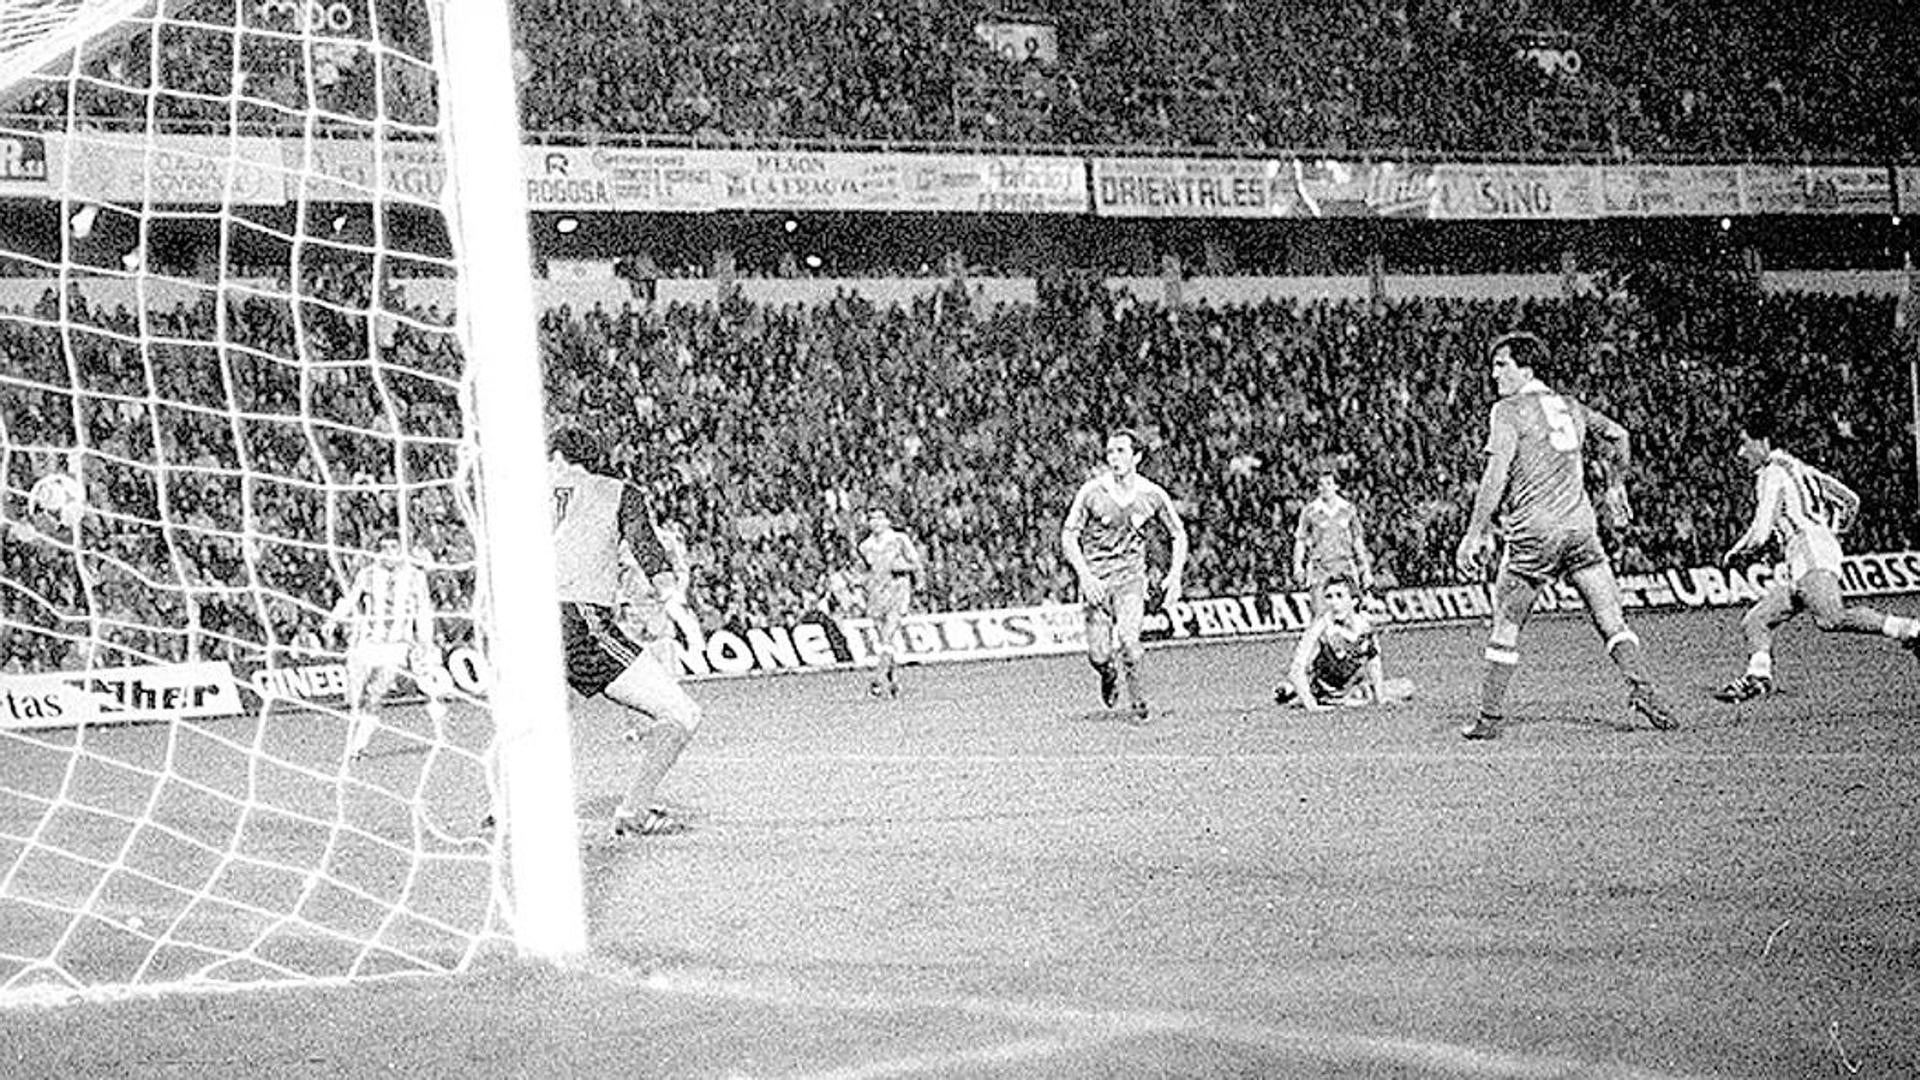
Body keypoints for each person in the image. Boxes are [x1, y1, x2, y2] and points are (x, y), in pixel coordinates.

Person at [1452, 331, 1680, 740]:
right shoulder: (1571, 406)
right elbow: (1620, 435)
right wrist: (1615, 486)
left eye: (1502, 364)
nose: (1494, 373)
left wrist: (1475, 532)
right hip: (1580, 528)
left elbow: (1496, 472)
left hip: (1534, 531)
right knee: (1611, 619)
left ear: (1527, 368)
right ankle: (1641, 688)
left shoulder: (1508, 410)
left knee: (1505, 624)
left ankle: (1488, 720)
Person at [549, 427, 701, 838]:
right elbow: (646, 547)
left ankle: (501, 808)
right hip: (577, 619)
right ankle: (633, 811)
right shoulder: (617, 491)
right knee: (682, 714)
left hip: (524, 622)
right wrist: (674, 601)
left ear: (560, 458)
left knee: (544, 719)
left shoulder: (527, 491)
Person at [1715, 410, 1920, 701]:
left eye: (1744, 443)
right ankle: (1758, 677)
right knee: (1756, 620)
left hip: (1808, 549)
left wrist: (1737, 551)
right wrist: (1833, 533)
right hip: (1809, 550)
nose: (1740, 452)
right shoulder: (1800, 467)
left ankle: (1911, 629)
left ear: (1762, 442)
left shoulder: (1771, 474)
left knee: (1830, 618)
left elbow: (1761, 530)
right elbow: (1851, 501)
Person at [1061, 428, 1189, 722]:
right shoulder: (1092, 492)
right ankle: (1108, 673)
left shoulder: (1152, 494)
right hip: (1097, 582)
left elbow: (1178, 533)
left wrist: (1175, 575)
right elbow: (1068, 536)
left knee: (1130, 642)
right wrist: (1085, 576)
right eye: (1110, 452)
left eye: (1121, 451)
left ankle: (1138, 701)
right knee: (1099, 655)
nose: (1114, 458)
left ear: (1137, 457)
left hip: (1130, 579)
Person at [324, 533, 440, 760]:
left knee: (375, 695)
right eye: (384, 548)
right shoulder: (367, 575)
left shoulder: (416, 577)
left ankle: (357, 748)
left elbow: (423, 612)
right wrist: (333, 620)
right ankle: (357, 735)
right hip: (366, 644)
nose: (388, 553)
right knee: (356, 698)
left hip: (396, 646)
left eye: (393, 547)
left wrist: (426, 642)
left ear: (401, 550)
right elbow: (350, 599)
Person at [1273, 573, 1413, 710]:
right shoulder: (1320, 628)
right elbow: (1296, 670)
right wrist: (1312, 706)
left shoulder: (1364, 627)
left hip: (1350, 687)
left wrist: (1380, 697)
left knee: (1407, 686)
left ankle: (1294, 692)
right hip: (1321, 690)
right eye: (1329, 597)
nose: (1333, 603)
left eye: (1339, 596)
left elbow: (1373, 660)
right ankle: (1295, 692)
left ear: (1354, 601)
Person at [856, 506, 923, 698]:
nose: (876, 522)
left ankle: (876, 680)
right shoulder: (865, 546)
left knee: (888, 634)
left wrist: (903, 568)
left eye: (880, 517)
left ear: (887, 521)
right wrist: (862, 582)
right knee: (885, 641)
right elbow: (865, 570)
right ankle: (893, 682)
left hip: (897, 591)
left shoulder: (899, 539)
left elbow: (916, 564)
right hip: (877, 594)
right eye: (872, 518)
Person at [1292, 470, 1374, 613]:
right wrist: (1298, 566)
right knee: (1320, 615)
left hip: (1344, 565)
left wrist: (1365, 569)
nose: (1324, 488)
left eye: (1328, 484)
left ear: (1336, 486)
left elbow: (1357, 540)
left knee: (1353, 614)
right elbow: (1301, 540)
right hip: (1320, 567)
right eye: (1321, 485)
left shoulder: (1348, 509)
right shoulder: (1310, 511)